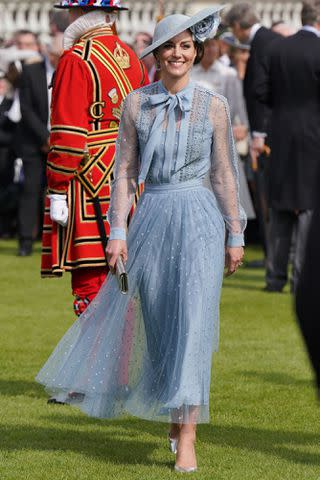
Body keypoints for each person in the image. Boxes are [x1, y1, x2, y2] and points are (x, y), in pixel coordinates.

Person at [36, 6, 246, 473]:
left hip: (200, 220)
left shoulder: (214, 105)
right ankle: (176, 412)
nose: (178, 54)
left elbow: (224, 174)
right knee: (163, 327)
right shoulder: (136, 104)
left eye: (186, 46)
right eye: (169, 46)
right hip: (151, 219)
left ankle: (188, 433)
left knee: (193, 323)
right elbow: (124, 173)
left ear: (196, 51)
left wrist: (235, 232)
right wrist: (116, 230)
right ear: (156, 53)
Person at [40, 0, 149, 316]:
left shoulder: (76, 58)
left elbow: (69, 137)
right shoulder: (131, 57)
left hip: (89, 179)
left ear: (79, 14)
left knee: (91, 289)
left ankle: (100, 366)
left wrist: (58, 187)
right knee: (125, 287)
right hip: (130, 177)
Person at [254, 0, 320, 292]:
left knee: (280, 204)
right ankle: (301, 278)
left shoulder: (277, 48)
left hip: (279, 133)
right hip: (313, 135)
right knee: (308, 205)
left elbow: (259, 89)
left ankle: (274, 276)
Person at [225, 2, 282, 261]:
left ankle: (274, 257)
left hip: (268, 135)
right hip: (276, 130)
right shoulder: (271, 39)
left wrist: (258, 135)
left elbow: (260, 90)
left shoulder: (262, 43)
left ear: (238, 25)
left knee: (267, 197)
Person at [17, 35, 64, 256]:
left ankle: (60, 241)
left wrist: (57, 139)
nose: (58, 60)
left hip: (62, 142)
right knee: (30, 191)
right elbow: (26, 109)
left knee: (61, 192)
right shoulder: (31, 72)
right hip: (34, 142)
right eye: (56, 56)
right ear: (48, 53)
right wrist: (45, 137)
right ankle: (26, 240)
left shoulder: (69, 70)